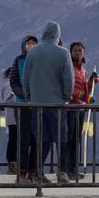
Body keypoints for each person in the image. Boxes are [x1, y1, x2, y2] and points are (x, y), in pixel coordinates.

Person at [22, 22, 73, 185]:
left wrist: (29, 97)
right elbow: (68, 79)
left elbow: (25, 78)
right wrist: (66, 96)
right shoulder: (63, 53)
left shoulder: (32, 53)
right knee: (61, 138)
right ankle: (62, 172)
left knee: (41, 138)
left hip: (37, 104)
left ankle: (36, 172)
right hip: (56, 103)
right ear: (57, 35)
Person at [63, 41, 97, 182]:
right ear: (70, 53)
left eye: (80, 50)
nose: (78, 52)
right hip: (70, 109)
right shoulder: (69, 68)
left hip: (80, 109)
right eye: (75, 50)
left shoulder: (83, 70)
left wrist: (91, 82)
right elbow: (69, 89)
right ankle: (67, 170)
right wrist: (84, 96)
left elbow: (85, 90)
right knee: (69, 139)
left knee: (76, 140)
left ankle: (73, 169)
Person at [9, 35, 38, 183]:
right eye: (28, 43)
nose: (31, 45)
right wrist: (25, 94)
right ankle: (22, 171)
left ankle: (34, 171)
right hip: (22, 105)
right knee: (24, 139)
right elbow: (13, 81)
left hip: (38, 105)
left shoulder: (40, 60)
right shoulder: (18, 60)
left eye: (34, 43)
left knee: (37, 139)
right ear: (24, 45)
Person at [1, 66, 18, 174]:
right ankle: (12, 162)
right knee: (14, 140)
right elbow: (7, 99)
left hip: (15, 117)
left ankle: (15, 162)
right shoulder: (10, 85)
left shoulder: (9, 85)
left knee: (15, 140)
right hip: (13, 117)